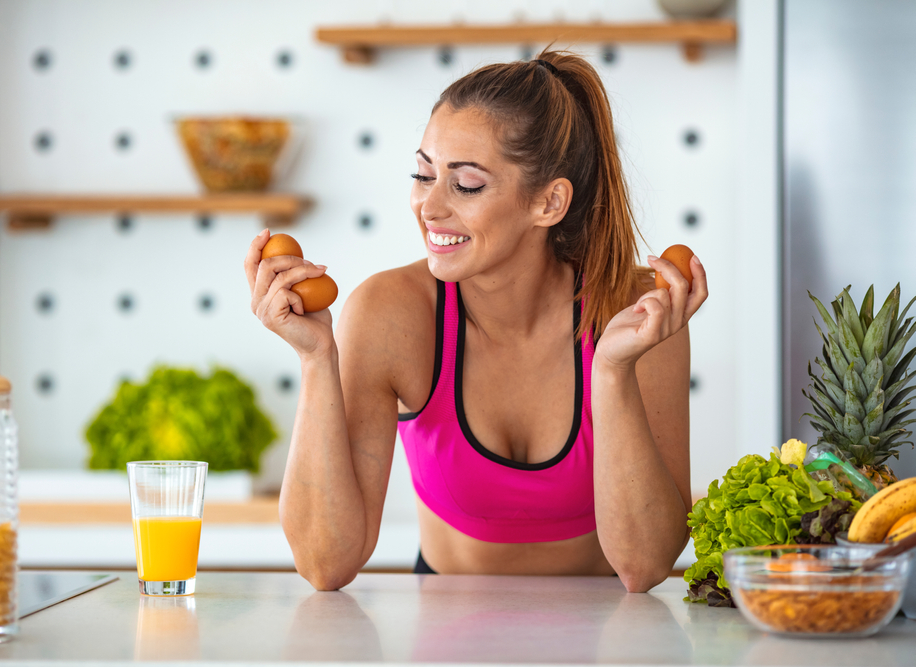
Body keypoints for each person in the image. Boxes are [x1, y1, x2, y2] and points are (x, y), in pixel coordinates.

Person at [244, 50, 708, 592]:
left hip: (605, 632)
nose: (428, 207)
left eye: (465, 185)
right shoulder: (390, 313)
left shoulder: (637, 313)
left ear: (549, 202)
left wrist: (612, 370)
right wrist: (316, 357)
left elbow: (646, 566)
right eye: (423, 174)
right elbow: (325, 564)